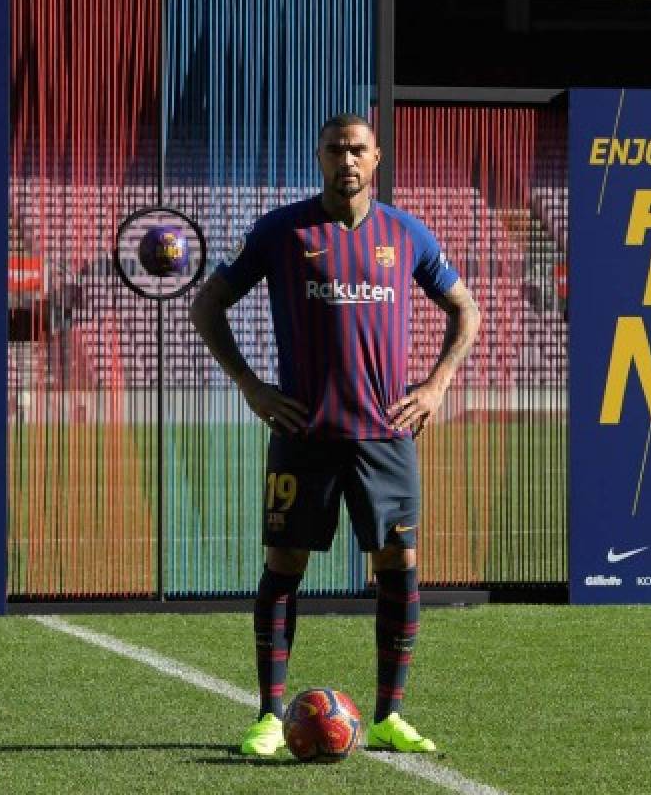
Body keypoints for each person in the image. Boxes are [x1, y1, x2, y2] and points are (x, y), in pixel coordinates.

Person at [188, 112, 480, 756]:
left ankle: (387, 716)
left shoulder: (406, 234)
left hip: (385, 436)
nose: (347, 159)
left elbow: (466, 309)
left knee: (398, 568)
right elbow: (207, 304)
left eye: (358, 149)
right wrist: (251, 385)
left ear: (377, 158)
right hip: (305, 432)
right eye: (335, 149)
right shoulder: (281, 231)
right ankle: (268, 716)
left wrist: (434, 387)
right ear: (318, 157)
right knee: (284, 566)